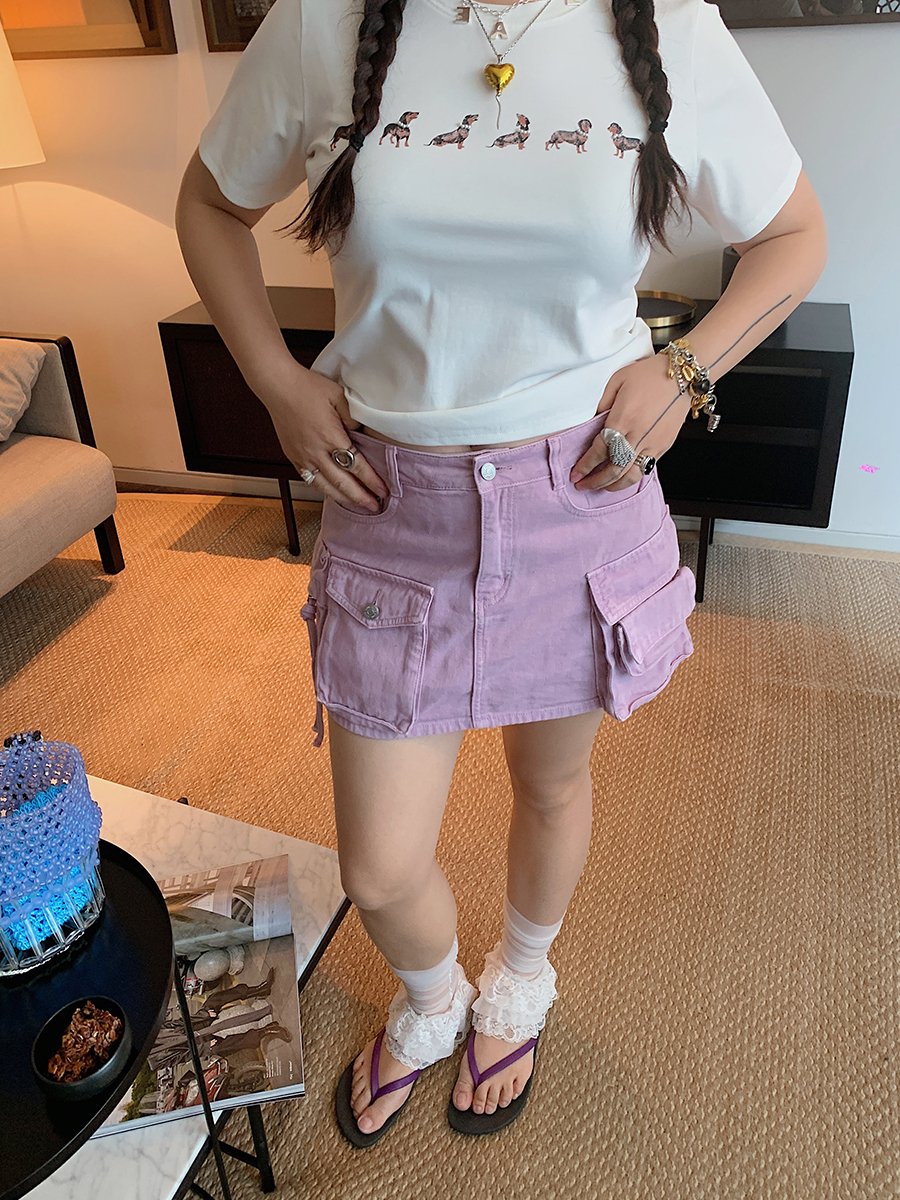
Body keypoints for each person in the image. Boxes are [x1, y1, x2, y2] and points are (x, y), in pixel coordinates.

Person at [175, 0, 827, 1147]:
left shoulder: (665, 24)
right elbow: (209, 203)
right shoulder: (324, 20)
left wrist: (687, 369)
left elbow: (795, 234)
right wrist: (276, 381)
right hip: (392, 504)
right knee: (380, 868)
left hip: (576, 490)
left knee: (550, 783)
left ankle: (520, 981)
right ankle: (434, 1000)